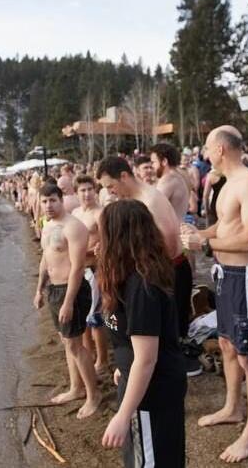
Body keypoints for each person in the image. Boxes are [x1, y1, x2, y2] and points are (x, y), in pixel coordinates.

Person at [181, 125, 248, 463]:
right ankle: (232, 407)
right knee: (226, 345)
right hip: (227, 274)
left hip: (246, 274)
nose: (204, 154)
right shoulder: (228, 183)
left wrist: (202, 243)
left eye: (206, 147)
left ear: (219, 149)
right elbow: (225, 225)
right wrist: (200, 232)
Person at [98, 200, 187, 467]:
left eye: (103, 233)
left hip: (152, 390)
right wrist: (122, 366)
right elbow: (132, 339)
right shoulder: (129, 276)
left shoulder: (141, 286)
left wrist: (123, 415)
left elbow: (147, 359)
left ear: (117, 236)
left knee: (150, 460)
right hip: (139, 378)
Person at [96, 157, 200, 377]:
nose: (111, 192)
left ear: (124, 176)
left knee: (165, 332)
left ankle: (166, 371)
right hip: (155, 273)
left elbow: (170, 244)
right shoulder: (136, 199)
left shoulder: (149, 199)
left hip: (169, 271)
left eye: (110, 186)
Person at [32, 184, 101, 419]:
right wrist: (39, 290)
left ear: (61, 200)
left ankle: (93, 396)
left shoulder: (74, 227)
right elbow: (46, 258)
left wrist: (69, 302)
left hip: (71, 291)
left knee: (75, 344)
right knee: (67, 342)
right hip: (54, 289)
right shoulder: (47, 225)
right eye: (44, 202)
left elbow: (78, 267)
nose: (48, 206)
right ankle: (76, 388)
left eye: (52, 200)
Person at [73, 175, 110, 374]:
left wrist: (96, 250)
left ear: (95, 191)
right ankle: (89, 355)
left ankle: (102, 360)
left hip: (95, 270)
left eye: (90, 189)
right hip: (79, 270)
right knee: (83, 319)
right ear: (76, 193)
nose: (87, 194)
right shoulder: (75, 213)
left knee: (95, 318)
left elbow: (108, 241)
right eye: (82, 190)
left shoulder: (100, 213)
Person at [150, 142, 191, 222]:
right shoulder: (180, 175)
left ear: (164, 161)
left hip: (171, 230)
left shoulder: (168, 179)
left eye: (153, 162)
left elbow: (153, 207)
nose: (152, 166)